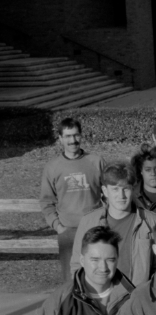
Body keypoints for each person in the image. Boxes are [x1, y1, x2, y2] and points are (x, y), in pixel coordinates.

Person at [70, 164, 156, 286]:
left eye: (126, 189)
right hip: (100, 296)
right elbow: (77, 263)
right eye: (115, 189)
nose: (121, 196)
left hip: (137, 296)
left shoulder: (152, 221)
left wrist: (147, 293)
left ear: (133, 189)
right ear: (105, 191)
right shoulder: (88, 221)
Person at [40, 118, 105, 281]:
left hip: (95, 228)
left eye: (76, 135)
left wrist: (105, 221)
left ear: (81, 136)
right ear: (60, 139)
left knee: (97, 275)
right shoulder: (52, 167)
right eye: (68, 136)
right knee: (71, 279)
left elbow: (109, 193)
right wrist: (58, 226)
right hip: (68, 232)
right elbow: (46, 201)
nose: (72, 140)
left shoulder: (96, 162)